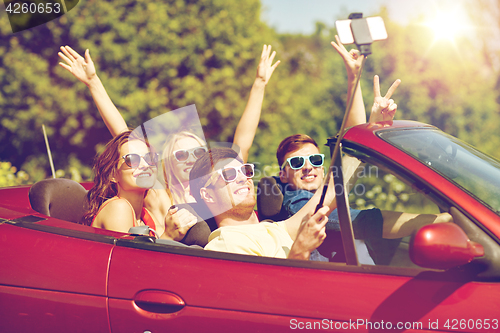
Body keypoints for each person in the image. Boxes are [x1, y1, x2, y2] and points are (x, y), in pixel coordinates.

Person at [58, 45, 279, 239]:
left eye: (198, 153)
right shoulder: (159, 193)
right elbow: (126, 141)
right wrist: (93, 83)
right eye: (181, 155)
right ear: (167, 164)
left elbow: (243, 143)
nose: (191, 159)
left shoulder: (219, 185)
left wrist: (259, 84)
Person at [82, 130, 197, 242]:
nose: (145, 165)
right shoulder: (118, 207)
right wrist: (169, 236)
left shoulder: (147, 216)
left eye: (150, 158)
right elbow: (129, 259)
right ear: (113, 175)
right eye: (132, 159)